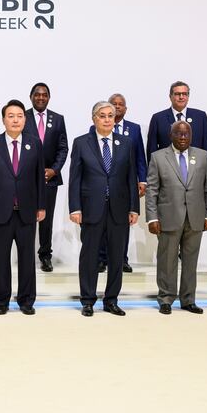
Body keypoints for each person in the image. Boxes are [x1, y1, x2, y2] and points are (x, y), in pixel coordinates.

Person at [68, 101, 139, 317]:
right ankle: (88, 300)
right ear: (94, 119)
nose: (107, 119)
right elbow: (75, 179)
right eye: (102, 115)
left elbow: (131, 176)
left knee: (117, 257)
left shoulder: (126, 143)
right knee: (89, 256)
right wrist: (75, 207)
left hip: (119, 208)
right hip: (91, 209)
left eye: (111, 115)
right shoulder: (81, 143)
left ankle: (111, 300)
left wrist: (134, 208)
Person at [0, 99, 45, 315]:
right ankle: (1, 301)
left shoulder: (34, 143)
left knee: (26, 259)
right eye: (11, 116)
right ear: (3, 119)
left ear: (25, 119)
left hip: (27, 211)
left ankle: (26, 301)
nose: (16, 120)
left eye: (20, 116)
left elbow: (39, 179)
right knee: (0, 258)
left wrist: (41, 206)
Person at [145, 121, 207, 315]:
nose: (183, 137)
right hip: (168, 217)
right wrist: (152, 218)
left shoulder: (202, 156)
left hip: (196, 218)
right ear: (171, 135)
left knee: (191, 262)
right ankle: (166, 299)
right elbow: (152, 190)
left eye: (186, 134)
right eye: (179, 134)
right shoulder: (158, 157)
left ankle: (188, 300)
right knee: (167, 261)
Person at [95, 93, 147, 273]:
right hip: (102, 186)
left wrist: (143, 180)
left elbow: (140, 156)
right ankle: (101, 258)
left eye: (121, 104)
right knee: (101, 223)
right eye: (114, 104)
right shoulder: (94, 129)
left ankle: (122, 258)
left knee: (122, 224)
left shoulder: (134, 129)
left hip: (125, 185)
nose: (117, 107)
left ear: (126, 108)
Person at [23, 82, 68, 272]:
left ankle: (45, 255)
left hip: (49, 179)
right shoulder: (22, 116)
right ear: (31, 96)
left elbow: (63, 148)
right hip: (26, 179)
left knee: (46, 219)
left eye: (44, 95)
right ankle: (25, 256)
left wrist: (54, 170)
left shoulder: (58, 119)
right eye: (37, 94)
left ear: (49, 97)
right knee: (26, 217)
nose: (41, 98)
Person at [146, 81, 207, 161]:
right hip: (166, 170)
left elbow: (206, 147)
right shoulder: (158, 118)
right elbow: (152, 150)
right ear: (170, 96)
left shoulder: (200, 117)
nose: (181, 97)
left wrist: (205, 170)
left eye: (184, 94)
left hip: (195, 170)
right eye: (177, 94)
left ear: (188, 97)